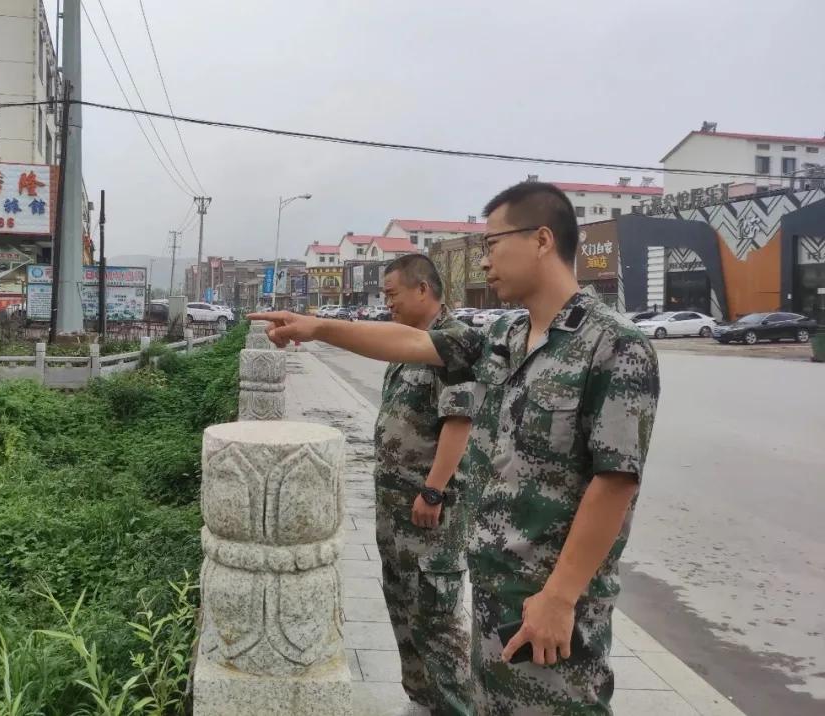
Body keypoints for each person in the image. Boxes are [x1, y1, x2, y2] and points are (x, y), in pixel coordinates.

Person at [250, 181, 660, 715]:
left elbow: (616, 481)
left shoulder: (614, 345)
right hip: (494, 588)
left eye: (492, 244)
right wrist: (319, 327)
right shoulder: (508, 336)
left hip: (551, 605)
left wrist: (559, 598)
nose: (483, 261)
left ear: (541, 239)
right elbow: (417, 344)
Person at [369, 254, 474, 714]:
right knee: (403, 607)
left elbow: (459, 421)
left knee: (436, 618)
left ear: (423, 291)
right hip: (396, 508)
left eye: (392, 294)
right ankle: (422, 698)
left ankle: (455, 706)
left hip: (429, 511)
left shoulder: (452, 345)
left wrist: (433, 489)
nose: (386, 302)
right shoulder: (411, 344)